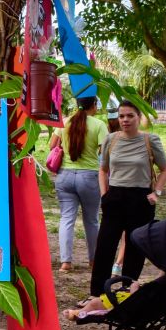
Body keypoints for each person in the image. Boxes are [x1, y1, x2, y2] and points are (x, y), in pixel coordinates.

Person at [89, 99, 166, 297]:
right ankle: (97, 292)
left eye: (130, 116)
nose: (125, 120)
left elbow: (165, 170)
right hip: (114, 197)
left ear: (138, 117)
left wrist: (156, 193)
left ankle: (126, 289)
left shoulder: (150, 140)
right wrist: (104, 194)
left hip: (140, 198)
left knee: (135, 246)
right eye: (121, 116)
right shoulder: (111, 139)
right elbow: (103, 169)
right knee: (105, 245)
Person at [48, 97, 106, 272]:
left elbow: (52, 145)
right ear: (94, 105)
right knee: (91, 220)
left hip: (64, 176)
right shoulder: (98, 125)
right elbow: (105, 150)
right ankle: (94, 260)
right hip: (89, 176)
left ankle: (66, 262)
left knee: (66, 219)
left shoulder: (64, 122)